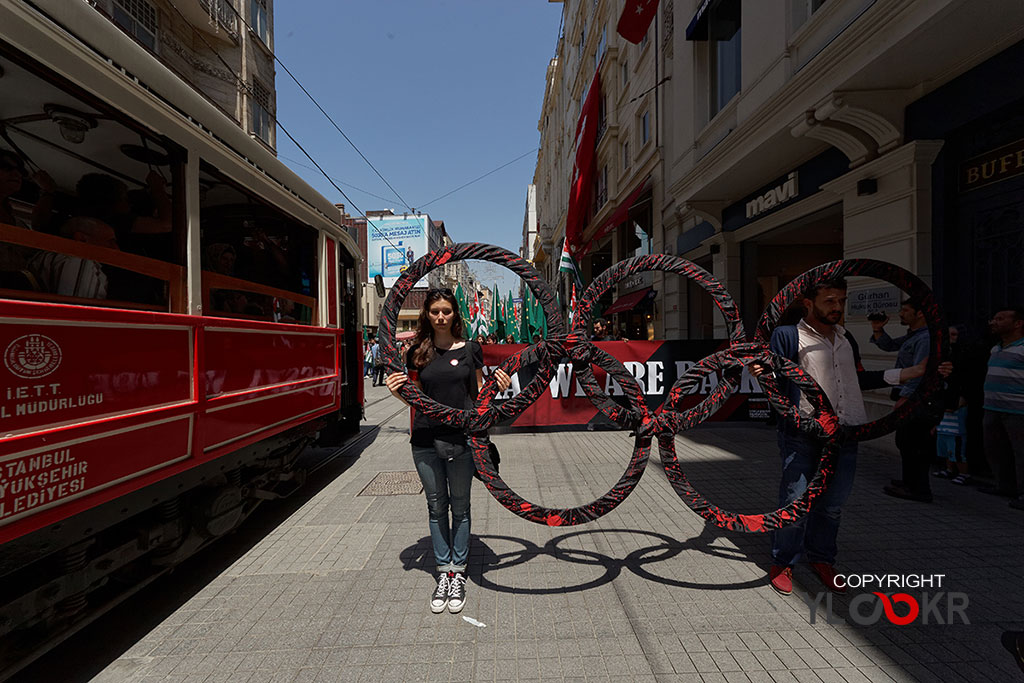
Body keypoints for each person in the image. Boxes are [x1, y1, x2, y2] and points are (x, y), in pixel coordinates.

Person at [750, 278, 948, 596]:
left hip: (846, 432)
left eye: (841, 300)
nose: (838, 307)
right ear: (808, 303)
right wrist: (763, 372)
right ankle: (783, 561)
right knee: (795, 501)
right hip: (803, 432)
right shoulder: (787, 336)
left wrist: (910, 374)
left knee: (832, 506)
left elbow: (857, 379)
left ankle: (823, 559)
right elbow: (773, 377)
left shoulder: (846, 338)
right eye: (830, 300)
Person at [384, 289, 511, 614]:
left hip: (462, 438)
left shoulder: (471, 350)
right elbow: (415, 398)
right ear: (427, 314)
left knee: (461, 507)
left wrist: (500, 384)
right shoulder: (417, 352)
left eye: (446, 311)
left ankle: (459, 571)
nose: (440, 317)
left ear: (455, 314)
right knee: (436, 507)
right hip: (425, 439)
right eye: (435, 311)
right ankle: (444, 572)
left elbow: (480, 393)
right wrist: (398, 392)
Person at [871, 299, 938, 502]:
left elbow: (920, 372)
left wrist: (905, 398)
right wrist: (877, 330)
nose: (901, 313)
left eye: (905, 310)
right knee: (905, 442)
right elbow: (890, 345)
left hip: (917, 399)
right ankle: (909, 482)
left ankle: (919, 489)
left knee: (914, 443)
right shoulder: (914, 336)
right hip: (910, 397)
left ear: (919, 314)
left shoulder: (926, 338)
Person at [978, 307, 1024, 510]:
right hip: (992, 407)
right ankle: (1004, 485)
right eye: (993, 318)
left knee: (1021, 453)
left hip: (1018, 411)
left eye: (1000, 318)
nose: (993, 322)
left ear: (1018, 323)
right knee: (995, 450)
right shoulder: (995, 348)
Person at [29, 217, 118, 299]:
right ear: (81, 239)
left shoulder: (51, 256)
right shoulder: (77, 261)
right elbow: (79, 310)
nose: (116, 248)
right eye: (110, 241)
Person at [932, 326, 970, 485]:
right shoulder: (939, 353)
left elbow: (966, 379)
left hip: (957, 405)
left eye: (954, 334)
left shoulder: (963, 354)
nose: (951, 338)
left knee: (957, 442)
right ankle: (948, 469)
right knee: (944, 442)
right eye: (948, 335)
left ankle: (963, 472)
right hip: (942, 405)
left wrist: (962, 398)